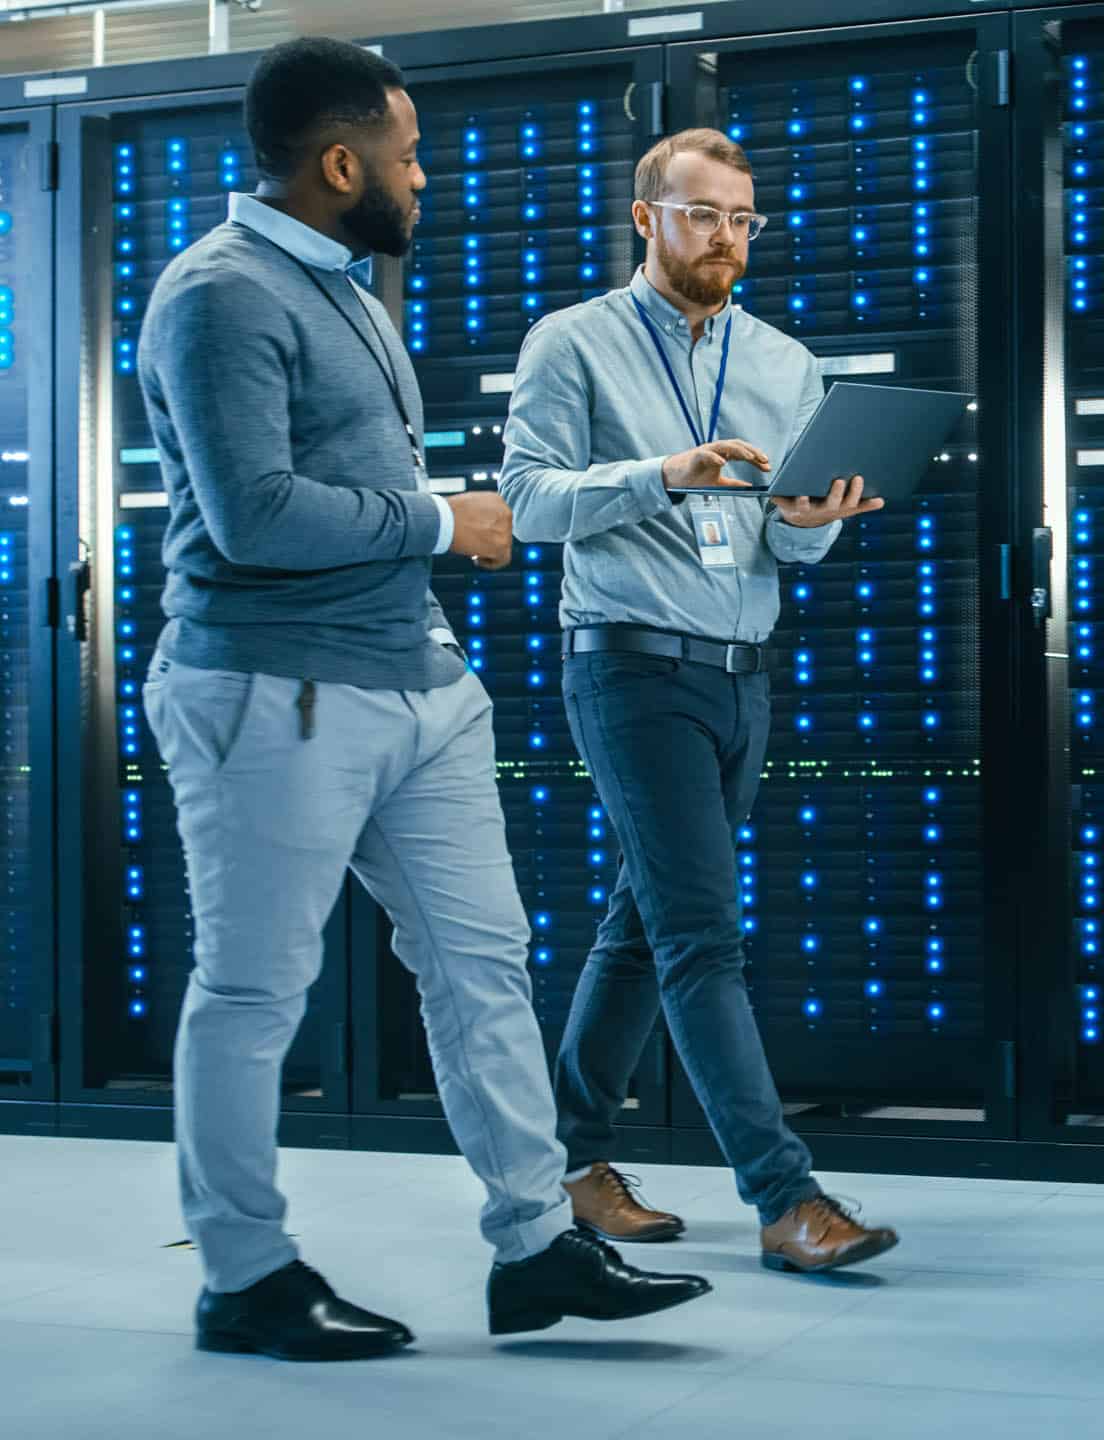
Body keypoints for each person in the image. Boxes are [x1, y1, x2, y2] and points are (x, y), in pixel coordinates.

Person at [137, 37, 710, 1361]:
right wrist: (447, 521)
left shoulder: (344, 284)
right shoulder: (219, 295)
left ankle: (534, 1249)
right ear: (341, 165)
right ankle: (244, 1276)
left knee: (482, 968)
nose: (424, 175)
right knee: (253, 993)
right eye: (404, 153)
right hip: (271, 692)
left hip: (415, 685)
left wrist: (440, 615)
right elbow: (255, 516)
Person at [501, 128, 899, 1275]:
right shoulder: (570, 342)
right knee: (699, 936)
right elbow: (527, 502)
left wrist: (808, 527)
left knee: (644, 922)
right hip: (627, 666)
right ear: (646, 218)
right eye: (702, 215)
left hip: (743, 675)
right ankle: (786, 1199)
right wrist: (659, 475)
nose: (724, 237)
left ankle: (567, 1161)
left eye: (741, 220)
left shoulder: (783, 361)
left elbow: (780, 536)